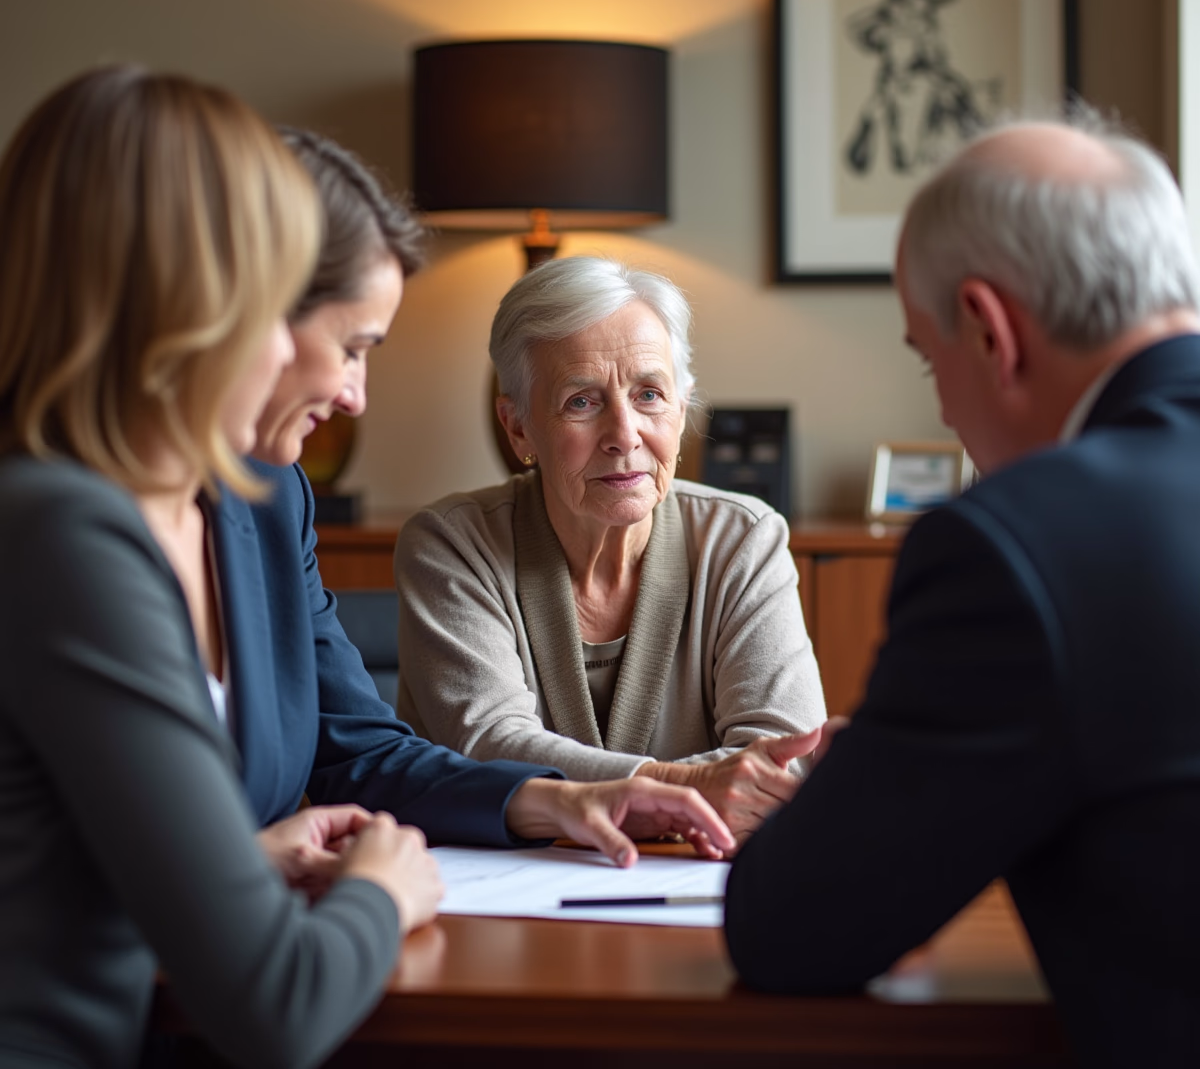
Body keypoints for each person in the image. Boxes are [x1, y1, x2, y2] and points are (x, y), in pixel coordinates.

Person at [724, 115, 1200, 1067]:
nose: (940, 398)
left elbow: (792, 930)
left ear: (989, 330)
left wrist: (868, 786)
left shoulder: (1022, 548)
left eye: (925, 356)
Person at [0, 66, 442, 1069]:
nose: (287, 346)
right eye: (269, 303)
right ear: (192, 308)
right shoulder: (65, 533)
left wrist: (232, 869)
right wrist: (383, 891)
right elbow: (275, 1009)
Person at [220, 130, 736, 866]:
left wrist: (569, 799)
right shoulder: (72, 522)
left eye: (651, 395)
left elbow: (358, 754)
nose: (355, 395)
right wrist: (359, 894)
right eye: (351, 347)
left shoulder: (273, 496)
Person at [394, 255, 828, 843]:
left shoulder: (743, 541)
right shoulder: (450, 545)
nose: (624, 435)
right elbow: (491, 749)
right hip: (502, 902)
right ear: (518, 426)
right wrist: (691, 786)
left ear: (682, 407)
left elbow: (780, 763)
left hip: (688, 892)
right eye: (582, 401)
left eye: (650, 394)